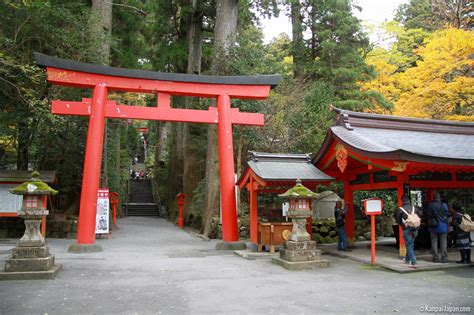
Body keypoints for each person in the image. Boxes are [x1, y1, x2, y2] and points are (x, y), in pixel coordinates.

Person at [397, 195, 420, 268]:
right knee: (411, 244)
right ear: (409, 200)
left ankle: (413, 261)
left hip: (407, 229)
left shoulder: (400, 209)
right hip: (415, 229)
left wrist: (403, 226)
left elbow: (398, 220)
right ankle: (407, 259)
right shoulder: (415, 208)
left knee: (409, 245)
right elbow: (419, 216)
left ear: (402, 201)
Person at [427, 192, 449, 263]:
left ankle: (435, 257)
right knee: (443, 242)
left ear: (434, 198)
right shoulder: (444, 205)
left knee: (434, 242)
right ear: (440, 198)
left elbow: (429, 214)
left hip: (433, 226)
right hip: (443, 226)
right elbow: (446, 213)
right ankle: (444, 257)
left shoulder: (431, 205)